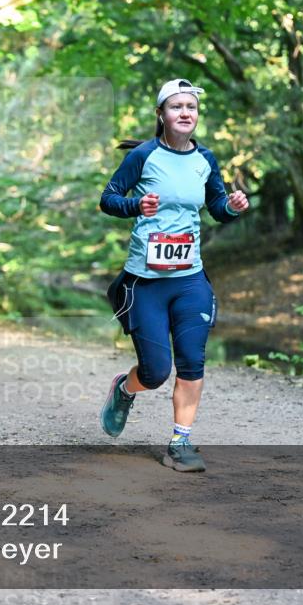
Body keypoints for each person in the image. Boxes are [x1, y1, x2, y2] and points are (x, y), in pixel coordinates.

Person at [99, 78, 249, 472]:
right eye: (176, 106)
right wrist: (136, 206)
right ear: (161, 114)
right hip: (145, 283)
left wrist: (231, 205)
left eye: (191, 107)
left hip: (190, 279)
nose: (185, 113)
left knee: (192, 362)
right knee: (155, 372)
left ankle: (180, 443)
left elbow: (216, 206)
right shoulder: (144, 156)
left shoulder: (206, 159)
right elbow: (108, 199)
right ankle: (124, 388)